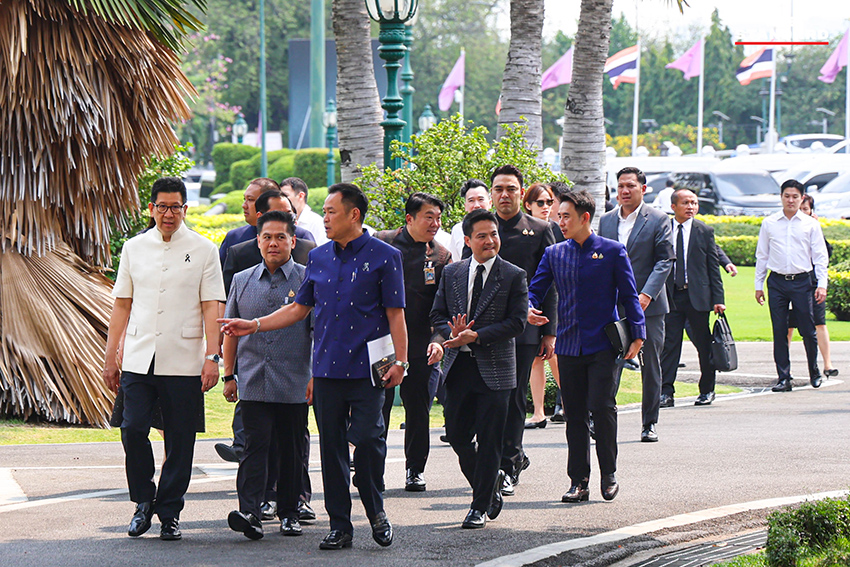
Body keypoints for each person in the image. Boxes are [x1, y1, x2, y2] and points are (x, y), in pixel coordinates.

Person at [219, 183, 407, 551]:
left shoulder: (385, 256)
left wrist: (401, 361)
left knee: (368, 442)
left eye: (331, 211)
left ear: (354, 215)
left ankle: (376, 510)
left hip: (370, 371)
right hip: (326, 371)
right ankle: (340, 525)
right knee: (331, 449)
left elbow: (395, 313)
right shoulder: (318, 259)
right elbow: (298, 309)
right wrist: (252, 325)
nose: (324, 218)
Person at [102, 177, 225, 540]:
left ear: (186, 209)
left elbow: (210, 306)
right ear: (151, 208)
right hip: (140, 358)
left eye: (175, 207)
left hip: (185, 359)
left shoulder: (204, 249)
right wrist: (111, 357)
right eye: (162, 206)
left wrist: (212, 357)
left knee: (181, 437)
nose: (168, 214)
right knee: (132, 429)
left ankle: (169, 511)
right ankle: (143, 501)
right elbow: (122, 304)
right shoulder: (134, 248)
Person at [527, 190, 645, 503]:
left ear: (585, 218)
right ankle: (578, 481)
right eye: (558, 216)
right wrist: (528, 307)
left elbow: (629, 297)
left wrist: (638, 335)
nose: (560, 222)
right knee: (574, 415)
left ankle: (609, 473)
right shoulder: (555, 254)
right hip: (567, 346)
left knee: (602, 407)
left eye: (566, 216)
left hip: (602, 346)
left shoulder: (612, 251)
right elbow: (535, 290)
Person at [221, 188, 317, 523]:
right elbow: (230, 331)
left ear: (293, 241)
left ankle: (290, 512)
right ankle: (250, 511)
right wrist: (229, 375)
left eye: (280, 237)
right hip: (253, 380)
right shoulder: (241, 281)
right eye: (266, 237)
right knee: (253, 449)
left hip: (294, 381)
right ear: (258, 241)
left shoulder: (308, 280)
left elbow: (316, 333)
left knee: (291, 451)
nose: (273, 243)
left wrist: (313, 377)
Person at [461, 165, 556, 496]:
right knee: (484, 400)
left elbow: (552, 284)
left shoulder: (541, 229)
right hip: (481, 332)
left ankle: (508, 464)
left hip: (524, 329)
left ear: (521, 192)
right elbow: (463, 276)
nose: (504, 195)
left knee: (512, 399)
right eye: (498, 189)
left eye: (511, 189)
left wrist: (550, 332)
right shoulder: (479, 226)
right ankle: (497, 458)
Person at [430, 209, 528, 528]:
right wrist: (451, 336)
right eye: (482, 236)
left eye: (494, 234)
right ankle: (489, 485)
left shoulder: (513, 274)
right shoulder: (452, 273)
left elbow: (517, 322)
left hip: (496, 369)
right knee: (457, 437)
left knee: (489, 440)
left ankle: (479, 505)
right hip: (458, 368)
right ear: (468, 240)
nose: (490, 241)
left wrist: (478, 336)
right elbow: (437, 315)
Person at [375, 193, 451, 492]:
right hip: (381, 346)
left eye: (438, 218)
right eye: (429, 216)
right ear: (409, 218)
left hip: (421, 348)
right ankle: (373, 470)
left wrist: (439, 340)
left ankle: (415, 470)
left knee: (418, 411)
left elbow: (444, 308)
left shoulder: (441, 256)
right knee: (376, 410)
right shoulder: (381, 244)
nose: (435, 223)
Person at [599, 167, 674, 443]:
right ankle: (602, 418)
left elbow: (665, 260)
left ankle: (649, 422)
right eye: (620, 186)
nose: (624, 191)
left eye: (630, 186)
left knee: (650, 363)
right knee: (609, 362)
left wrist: (646, 295)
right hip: (614, 304)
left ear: (643, 189)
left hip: (649, 306)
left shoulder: (657, 219)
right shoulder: (606, 221)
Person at [755, 180, 829, 392]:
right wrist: (758, 284)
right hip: (777, 281)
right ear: (781, 197)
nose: (790, 200)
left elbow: (820, 257)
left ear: (801, 198)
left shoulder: (810, 224)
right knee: (779, 330)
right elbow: (762, 255)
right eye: (787, 196)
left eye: (795, 197)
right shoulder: (770, 223)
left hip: (802, 281)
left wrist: (821, 284)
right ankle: (783, 377)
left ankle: (814, 371)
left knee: (807, 328)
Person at [659, 189, 726, 408]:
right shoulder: (663, 229)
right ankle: (666, 392)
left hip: (697, 296)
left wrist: (718, 299)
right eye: (686, 203)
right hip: (670, 296)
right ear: (673, 207)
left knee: (703, 344)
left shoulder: (704, 231)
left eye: (694, 203)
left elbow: (712, 268)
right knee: (669, 344)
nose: (691, 207)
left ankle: (707, 389)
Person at [522, 183, 564, 429]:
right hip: (528, 299)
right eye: (540, 203)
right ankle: (538, 412)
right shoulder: (520, 229)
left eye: (549, 202)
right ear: (528, 204)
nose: (546, 207)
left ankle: (572, 401)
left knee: (554, 355)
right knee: (536, 358)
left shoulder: (558, 229)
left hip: (554, 299)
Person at [786, 194, 838, 378]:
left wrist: (817, 228)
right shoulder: (785, 228)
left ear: (811, 211)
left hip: (813, 283)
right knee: (788, 325)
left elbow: (825, 255)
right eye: (800, 209)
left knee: (819, 322)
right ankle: (785, 368)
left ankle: (827, 364)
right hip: (791, 283)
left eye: (806, 209)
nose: (802, 213)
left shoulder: (813, 228)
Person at [449, 179, 492, 262]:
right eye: (471, 201)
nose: (476, 205)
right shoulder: (457, 230)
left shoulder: (499, 227)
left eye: (481, 199)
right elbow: (457, 263)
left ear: (490, 203)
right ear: (465, 206)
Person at [280, 176, 328, 245]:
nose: (282, 200)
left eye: (286, 196)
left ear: (301, 196)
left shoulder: (317, 223)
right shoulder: (280, 221)